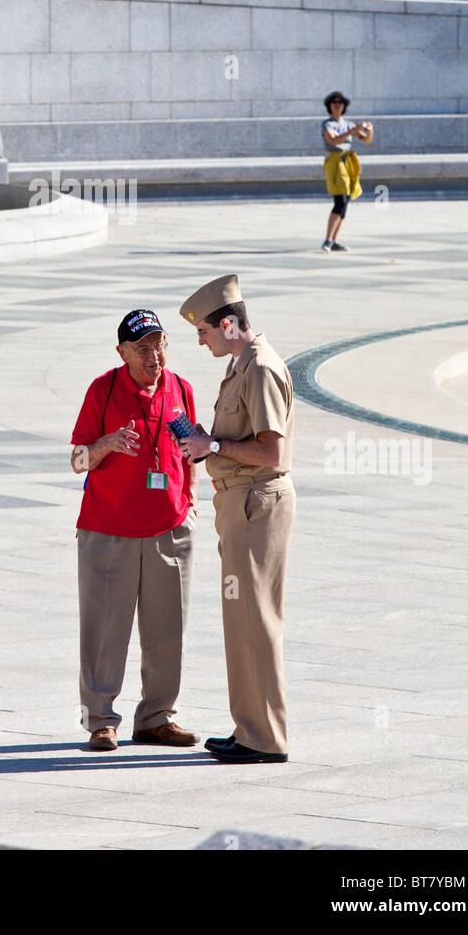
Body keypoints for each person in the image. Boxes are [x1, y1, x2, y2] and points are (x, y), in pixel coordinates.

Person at [177, 274, 296, 764]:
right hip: (240, 503)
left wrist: (215, 446)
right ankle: (250, 727)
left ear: (228, 324)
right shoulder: (241, 364)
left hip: (255, 502)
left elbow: (272, 451)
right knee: (242, 618)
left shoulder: (260, 368)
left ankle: (265, 738)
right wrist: (213, 445)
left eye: (203, 331)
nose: (200, 340)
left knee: (256, 619)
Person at [70, 308, 200, 751]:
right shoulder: (103, 391)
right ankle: (100, 721)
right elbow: (76, 461)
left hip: (169, 529)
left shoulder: (180, 389)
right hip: (109, 530)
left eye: (159, 345)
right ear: (122, 352)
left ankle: (157, 718)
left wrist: (191, 504)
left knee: (168, 630)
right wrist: (105, 444)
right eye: (143, 348)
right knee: (104, 631)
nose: (154, 356)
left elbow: (190, 451)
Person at [321, 91, 374, 253]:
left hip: (348, 162)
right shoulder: (327, 124)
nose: (337, 105)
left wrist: (369, 131)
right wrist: (352, 131)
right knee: (340, 199)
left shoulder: (348, 124)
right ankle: (328, 239)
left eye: (340, 103)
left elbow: (365, 140)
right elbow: (333, 140)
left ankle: (334, 240)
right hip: (335, 162)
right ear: (329, 106)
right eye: (334, 102)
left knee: (345, 201)